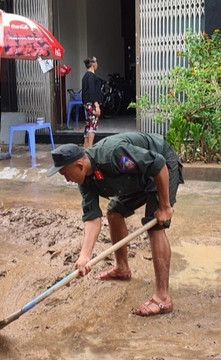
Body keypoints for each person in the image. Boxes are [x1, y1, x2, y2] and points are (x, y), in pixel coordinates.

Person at [46, 132, 184, 316]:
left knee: (155, 226)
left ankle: (163, 298)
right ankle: (122, 268)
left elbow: (157, 164)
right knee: (114, 213)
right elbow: (93, 218)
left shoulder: (113, 155)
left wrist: (165, 206)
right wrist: (84, 256)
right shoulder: (85, 180)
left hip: (161, 165)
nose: (66, 179)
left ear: (79, 165)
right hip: (139, 176)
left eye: (65, 174)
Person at [81, 56, 103, 149]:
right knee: (93, 124)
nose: (97, 64)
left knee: (88, 124)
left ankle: (85, 146)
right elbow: (92, 91)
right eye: (96, 63)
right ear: (93, 64)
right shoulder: (91, 76)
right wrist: (97, 105)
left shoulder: (85, 76)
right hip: (92, 103)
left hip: (86, 103)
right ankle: (90, 147)